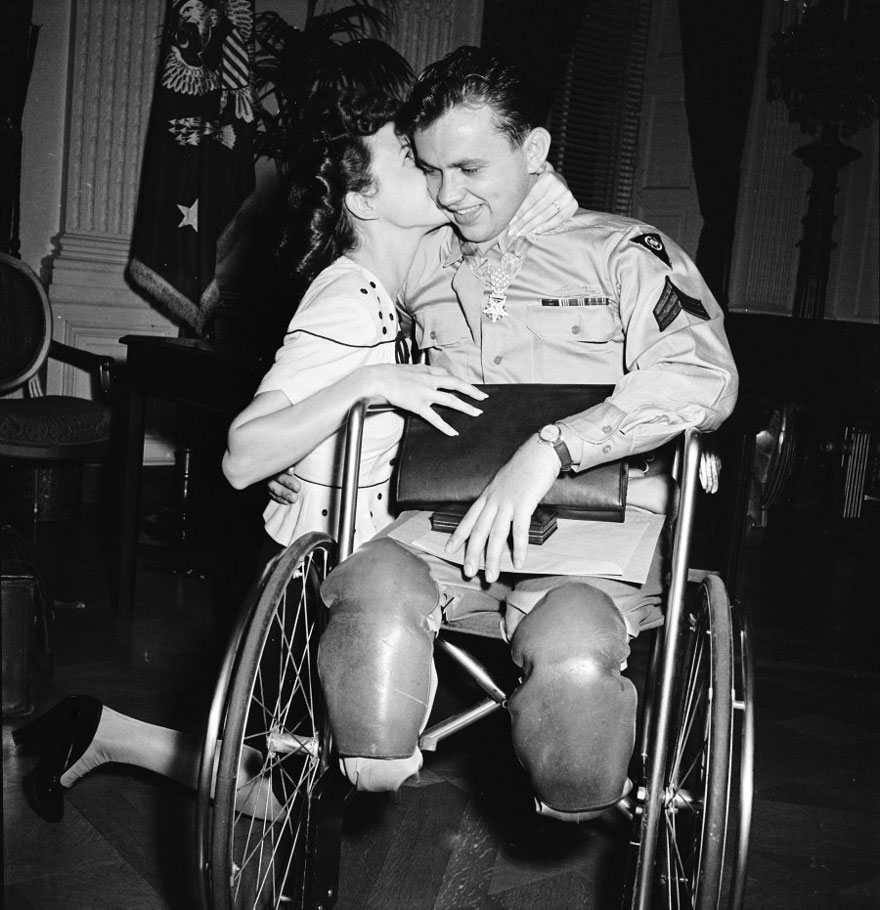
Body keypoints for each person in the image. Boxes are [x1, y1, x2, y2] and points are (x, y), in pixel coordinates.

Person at [12, 87, 575, 823]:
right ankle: (100, 732)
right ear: (363, 200)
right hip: (314, 578)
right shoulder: (348, 297)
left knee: (292, 789)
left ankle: (98, 731)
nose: (437, 170)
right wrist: (367, 381)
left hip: (358, 563)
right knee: (289, 795)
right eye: (410, 158)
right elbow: (243, 454)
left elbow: (527, 209)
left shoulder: (396, 286)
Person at [313, 46, 739, 821]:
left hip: (591, 531)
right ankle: (376, 759)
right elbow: (335, 278)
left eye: (472, 169)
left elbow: (703, 377)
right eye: (434, 170)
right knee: (367, 600)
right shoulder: (424, 259)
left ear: (535, 150)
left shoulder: (624, 253)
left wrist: (552, 448)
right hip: (443, 526)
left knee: (575, 674)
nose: (450, 194)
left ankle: (574, 784)